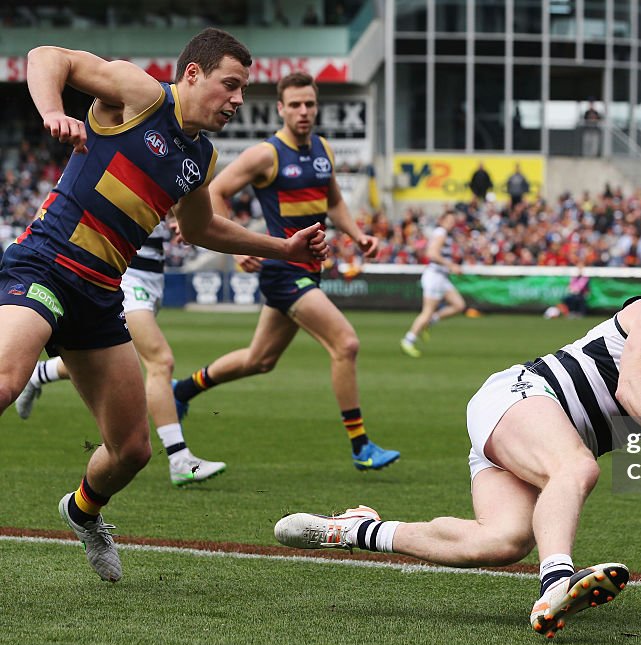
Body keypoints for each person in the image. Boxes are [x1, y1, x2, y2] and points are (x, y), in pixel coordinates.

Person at [276, 254, 641, 637]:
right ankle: (555, 587)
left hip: (529, 440)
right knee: (576, 468)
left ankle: (356, 529)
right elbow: (632, 384)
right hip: (519, 397)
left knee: (502, 542)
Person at [0, 29, 329, 582]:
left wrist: (282, 248)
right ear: (193, 75)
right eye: (230, 85)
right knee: (7, 380)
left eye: (244, 91)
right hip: (46, 265)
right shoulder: (141, 94)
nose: (237, 100)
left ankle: (82, 512)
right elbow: (45, 56)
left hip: (101, 294)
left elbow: (199, 228)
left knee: (131, 450)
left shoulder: (200, 156)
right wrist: (55, 112)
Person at [171, 72, 399, 471]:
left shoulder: (323, 149)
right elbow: (218, 191)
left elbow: (333, 202)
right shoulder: (266, 154)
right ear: (281, 108)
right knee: (345, 343)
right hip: (282, 269)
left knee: (260, 359)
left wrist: (358, 235)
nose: (304, 111)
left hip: (311, 269)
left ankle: (183, 390)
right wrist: (237, 247)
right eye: (295, 104)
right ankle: (361, 445)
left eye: (309, 104)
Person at [14, 213, 227, 485]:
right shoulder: (107, 171)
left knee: (115, 361)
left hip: (152, 277)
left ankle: (41, 373)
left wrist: (178, 218)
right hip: (127, 277)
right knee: (160, 361)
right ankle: (179, 458)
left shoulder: (168, 173)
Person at [400, 210, 466, 357]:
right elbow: (432, 254)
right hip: (435, 276)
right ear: (442, 221)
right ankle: (408, 340)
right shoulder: (441, 232)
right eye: (448, 221)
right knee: (427, 311)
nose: (451, 224)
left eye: (452, 221)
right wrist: (451, 265)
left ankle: (428, 323)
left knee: (459, 305)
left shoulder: (444, 233)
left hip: (441, 277)